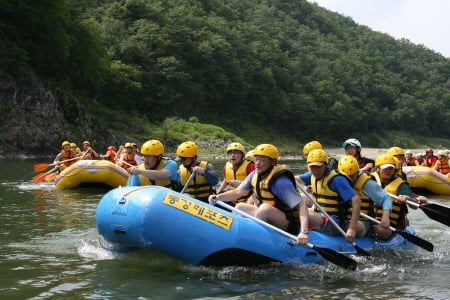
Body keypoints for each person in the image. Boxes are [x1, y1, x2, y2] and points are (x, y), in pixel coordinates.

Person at [208, 143, 309, 245]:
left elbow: (301, 205)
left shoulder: (280, 181)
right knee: (240, 207)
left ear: (273, 162)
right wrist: (218, 197)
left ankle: (259, 239)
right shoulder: (254, 175)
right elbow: (237, 192)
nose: (257, 163)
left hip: (288, 222)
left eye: (262, 159)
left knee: (264, 209)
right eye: (256, 159)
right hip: (267, 216)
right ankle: (239, 233)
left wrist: (304, 232)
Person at [302, 149, 362, 243]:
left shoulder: (337, 180)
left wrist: (352, 228)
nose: (315, 170)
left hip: (334, 223)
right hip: (320, 217)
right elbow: (295, 179)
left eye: (318, 167)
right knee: (298, 203)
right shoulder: (312, 175)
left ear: (325, 165)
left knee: (302, 211)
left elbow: (356, 200)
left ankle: (303, 232)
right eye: (312, 167)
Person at [337, 155, 392, 239]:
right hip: (341, 218)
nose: (348, 179)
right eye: (345, 176)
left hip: (362, 222)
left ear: (357, 171)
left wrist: (385, 216)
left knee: (383, 231)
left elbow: (386, 199)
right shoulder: (336, 180)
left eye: (351, 175)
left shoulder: (367, 183)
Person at [371, 154, 427, 234]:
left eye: (391, 169)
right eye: (385, 169)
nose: (388, 171)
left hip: (391, 225)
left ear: (394, 170)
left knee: (382, 230)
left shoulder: (401, 185)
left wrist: (408, 198)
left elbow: (414, 206)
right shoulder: (369, 180)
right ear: (377, 169)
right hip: (371, 219)